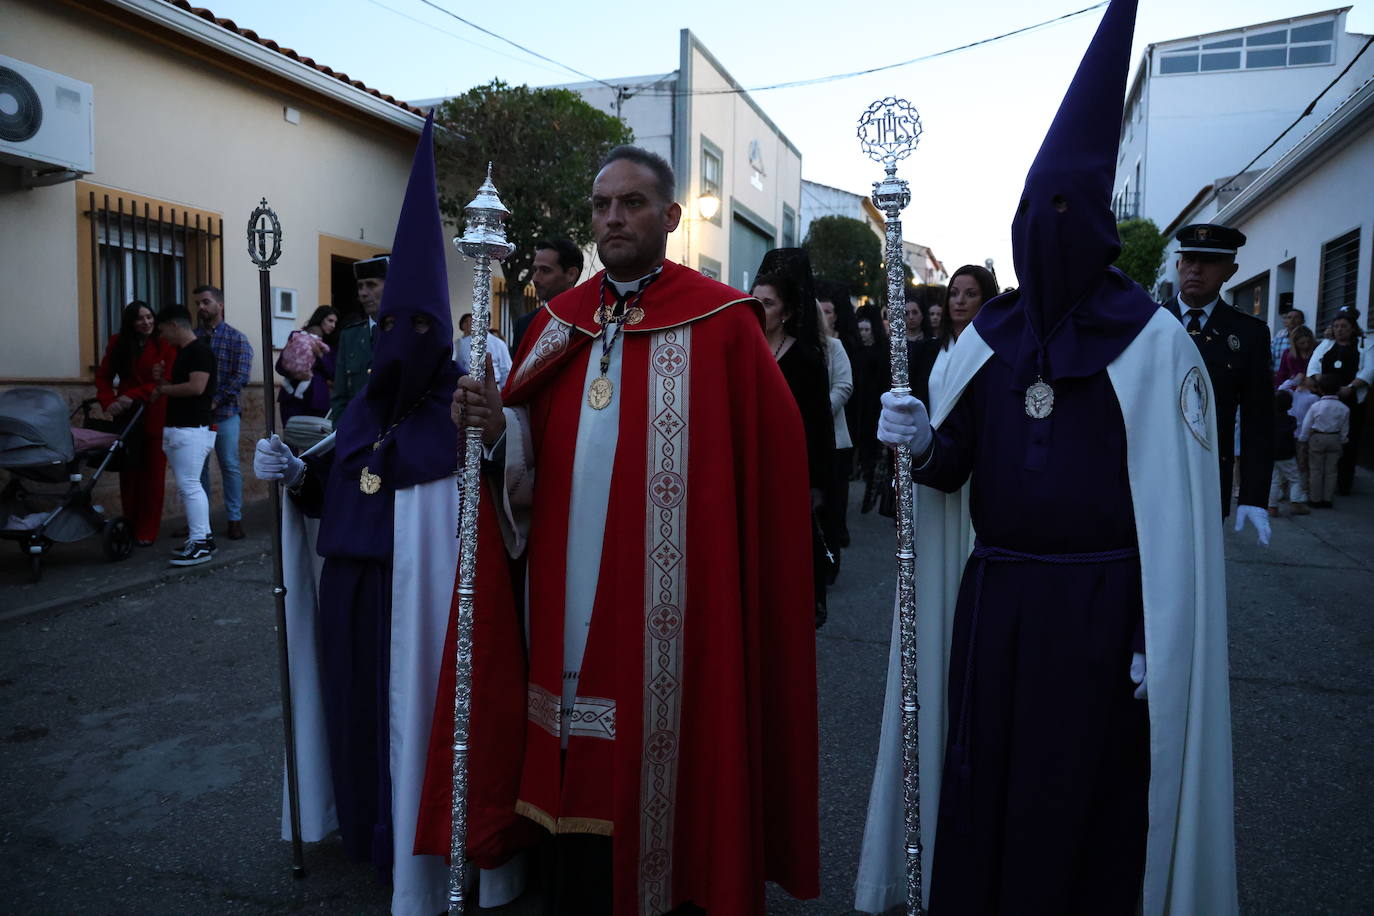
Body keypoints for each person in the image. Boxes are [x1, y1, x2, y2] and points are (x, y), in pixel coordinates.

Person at [858, 1, 1237, 912]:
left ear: (1100, 223)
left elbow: (1177, 523)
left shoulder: (1155, 347)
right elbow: (956, 467)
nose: (1048, 225)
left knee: (1080, 788)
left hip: (1103, 611)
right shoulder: (988, 337)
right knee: (986, 775)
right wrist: (916, 443)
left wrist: (1156, 634)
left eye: (1066, 209)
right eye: (1035, 208)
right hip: (996, 599)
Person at [418, 143, 820, 913]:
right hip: (563, 593)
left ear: (670, 216)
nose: (613, 218)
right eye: (602, 205)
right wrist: (495, 428)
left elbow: (771, 462)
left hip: (678, 605)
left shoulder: (724, 324)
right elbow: (522, 450)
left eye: (632, 203)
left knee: (671, 747)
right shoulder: (558, 323)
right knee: (571, 778)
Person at [251, 116, 523, 914]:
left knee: (417, 726)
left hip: (424, 612)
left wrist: (498, 438)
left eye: (421, 327)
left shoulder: (460, 407)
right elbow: (335, 481)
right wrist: (293, 476)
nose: (403, 339)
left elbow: (494, 498)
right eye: (391, 325)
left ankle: (422, 838)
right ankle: (365, 825)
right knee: (357, 719)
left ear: (441, 333)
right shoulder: (365, 405)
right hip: (353, 597)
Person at [1165, 223, 1274, 525]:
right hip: (1151, 474)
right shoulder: (1149, 324)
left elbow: (1258, 419)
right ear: (1178, 263)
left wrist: (1253, 496)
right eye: (1189, 260)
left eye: (1210, 261)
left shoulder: (1249, 333)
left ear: (1231, 270)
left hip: (1209, 474)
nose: (1196, 269)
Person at [752, 249, 834, 626]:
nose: (757, 308)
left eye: (766, 303)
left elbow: (818, 425)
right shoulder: (742, 351)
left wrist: (817, 485)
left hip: (787, 474)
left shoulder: (804, 358)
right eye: (752, 300)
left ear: (785, 312)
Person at [94, 301, 176, 546]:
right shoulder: (118, 342)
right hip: (126, 415)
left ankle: (148, 529)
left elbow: (167, 379)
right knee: (128, 472)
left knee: (153, 473)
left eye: (149, 317)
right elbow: (103, 376)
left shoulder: (163, 343)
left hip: (153, 412)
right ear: (131, 322)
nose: (146, 322)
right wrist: (108, 401)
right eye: (140, 318)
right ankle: (130, 523)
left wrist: (133, 395)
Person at [154, 305, 218, 567]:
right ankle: (204, 538)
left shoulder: (199, 351)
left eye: (163, 331)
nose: (162, 337)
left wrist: (165, 389)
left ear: (174, 325)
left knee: (190, 486)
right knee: (192, 486)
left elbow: (197, 387)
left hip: (191, 429)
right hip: (185, 428)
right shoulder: (186, 352)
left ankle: (200, 544)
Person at [192, 285, 253, 541]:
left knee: (229, 466)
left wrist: (216, 401)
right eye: (197, 303)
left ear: (220, 305)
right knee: (198, 470)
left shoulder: (237, 338)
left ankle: (234, 520)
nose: (200, 308)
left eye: (205, 302)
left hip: (226, 414)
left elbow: (240, 377)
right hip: (197, 417)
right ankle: (199, 521)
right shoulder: (193, 338)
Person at [1305, 307, 1371, 495]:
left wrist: (1350, 388)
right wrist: (1323, 384)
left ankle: (1344, 483)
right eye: (1336, 326)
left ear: (1352, 328)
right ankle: (1321, 484)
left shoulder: (1364, 345)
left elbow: (1369, 370)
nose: (1340, 329)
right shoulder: (1326, 344)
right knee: (1322, 442)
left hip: (1351, 402)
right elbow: (1314, 365)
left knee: (1349, 443)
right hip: (1325, 400)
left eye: (1344, 326)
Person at [817, 297, 855, 574]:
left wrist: (817, 415)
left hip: (833, 440)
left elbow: (844, 386)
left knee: (831, 507)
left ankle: (830, 564)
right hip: (800, 439)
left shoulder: (834, 347)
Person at [331, 254, 388, 423]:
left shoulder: (406, 333)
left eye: (371, 285)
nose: (363, 293)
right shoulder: (350, 336)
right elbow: (340, 398)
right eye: (360, 286)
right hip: (357, 436)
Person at [513, 238, 584, 357]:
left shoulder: (592, 319)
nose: (535, 278)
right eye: (535, 270)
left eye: (545, 271)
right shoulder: (525, 324)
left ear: (571, 274)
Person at [852, 304, 891, 490]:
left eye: (867, 329)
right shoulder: (855, 351)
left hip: (874, 401)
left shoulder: (880, 352)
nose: (864, 333)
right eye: (861, 329)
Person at [276, 306, 337, 423]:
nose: (333, 325)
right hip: (292, 399)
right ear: (320, 319)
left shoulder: (330, 345)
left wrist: (320, 354)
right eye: (330, 321)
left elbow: (333, 373)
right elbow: (280, 365)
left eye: (335, 322)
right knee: (291, 437)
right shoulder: (297, 336)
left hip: (317, 400)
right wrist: (294, 375)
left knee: (315, 439)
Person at [1300, 373, 1352, 508]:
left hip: (1317, 437)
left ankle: (1315, 499)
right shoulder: (1344, 408)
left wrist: (1303, 439)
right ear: (1338, 389)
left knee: (1316, 469)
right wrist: (1343, 440)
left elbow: (1307, 424)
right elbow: (1345, 428)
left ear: (1320, 389)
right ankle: (1327, 499)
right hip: (1335, 438)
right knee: (1331, 471)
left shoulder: (1316, 406)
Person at [1268, 389, 1308, 516]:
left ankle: (1272, 506)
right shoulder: (1291, 420)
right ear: (1290, 405)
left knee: (1274, 480)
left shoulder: (1269, 419)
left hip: (1272, 454)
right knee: (1295, 479)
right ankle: (1296, 503)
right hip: (1287, 455)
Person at [457, 312, 513, 388]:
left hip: (494, 387)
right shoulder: (463, 343)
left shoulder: (499, 344)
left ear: (488, 323)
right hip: (470, 389)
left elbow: (506, 369)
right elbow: (459, 366)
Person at [1272, 306, 1306, 372]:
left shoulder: (1307, 338)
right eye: (1289, 317)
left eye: (1296, 317)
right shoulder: (1278, 338)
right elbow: (1270, 358)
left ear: (1303, 321)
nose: (1292, 320)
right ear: (1285, 321)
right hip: (1278, 377)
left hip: (1299, 378)